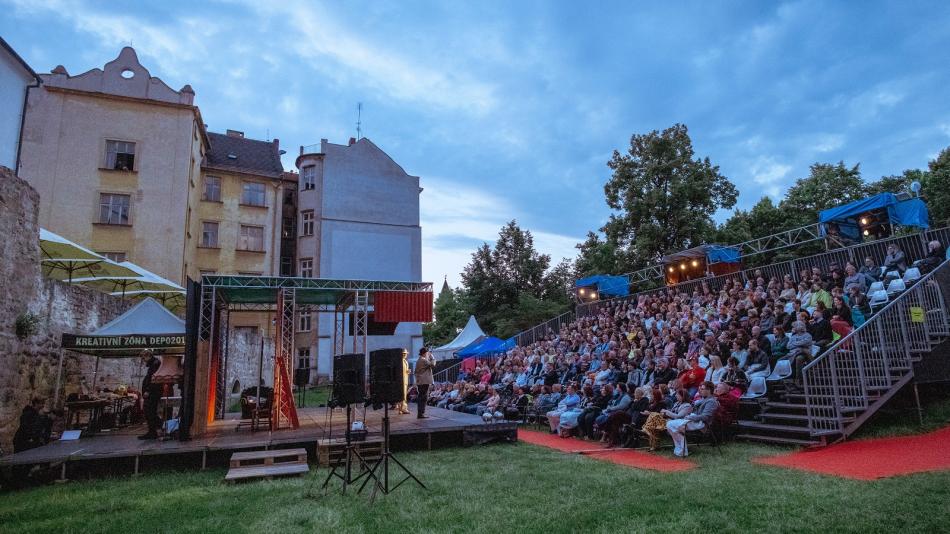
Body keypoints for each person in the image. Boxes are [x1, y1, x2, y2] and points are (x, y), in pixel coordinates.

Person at [666, 381, 719, 457]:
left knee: (672, 425)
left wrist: (691, 416)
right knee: (670, 425)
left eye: (702, 389)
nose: (700, 390)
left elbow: (705, 417)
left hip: (702, 423)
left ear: (709, 390)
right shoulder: (703, 399)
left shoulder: (711, 401)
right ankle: (680, 449)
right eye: (700, 388)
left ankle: (682, 450)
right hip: (693, 420)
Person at [139, 349, 162, 440]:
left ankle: (155, 429)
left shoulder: (155, 364)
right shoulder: (154, 364)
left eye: (143, 358)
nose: (143, 360)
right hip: (152, 392)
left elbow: (153, 379)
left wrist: (148, 390)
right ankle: (154, 429)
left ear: (148, 356)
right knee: (149, 411)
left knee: (149, 411)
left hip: (152, 393)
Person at [414, 347, 435, 418]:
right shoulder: (423, 360)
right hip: (424, 382)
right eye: (427, 353)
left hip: (421, 382)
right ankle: (421, 414)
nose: (428, 354)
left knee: (422, 397)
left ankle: (420, 413)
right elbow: (433, 364)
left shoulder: (420, 360)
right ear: (425, 353)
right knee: (423, 398)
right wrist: (432, 357)